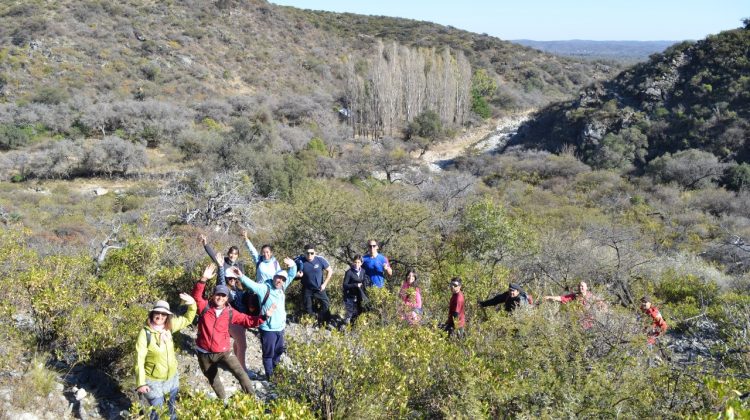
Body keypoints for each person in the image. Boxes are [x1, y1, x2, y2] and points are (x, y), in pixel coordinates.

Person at [191, 264, 275, 400]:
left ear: (227, 298)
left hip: (223, 351)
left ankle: (252, 399)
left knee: (241, 373)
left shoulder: (230, 312)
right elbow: (196, 296)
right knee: (213, 379)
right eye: (218, 295)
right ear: (213, 296)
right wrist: (203, 279)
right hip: (204, 353)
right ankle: (222, 400)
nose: (221, 298)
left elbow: (248, 320)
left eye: (224, 296)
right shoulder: (204, 308)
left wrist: (264, 317)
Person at [232, 257, 297, 380]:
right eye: (278, 278)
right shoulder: (264, 289)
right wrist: (241, 276)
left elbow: (292, 274)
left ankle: (275, 371)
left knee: (278, 352)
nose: (280, 281)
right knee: (268, 354)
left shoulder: (282, 287)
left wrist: (293, 265)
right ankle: (270, 377)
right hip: (268, 328)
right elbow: (252, 284)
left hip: (280, 327)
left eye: (283, 279)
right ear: (274, 277)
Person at [135, 294, 197, 420]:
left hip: (172, 378)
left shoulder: (169, 327)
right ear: (152, 314)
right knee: (157, 413)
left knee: (172, 409)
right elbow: (139, 359)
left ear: (167, 316)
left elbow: (187, 319)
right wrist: (141, 383)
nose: (160, 316)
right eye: (157, 313)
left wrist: (192, 304)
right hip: (153, 381)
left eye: (163, 314)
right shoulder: (145, 333)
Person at [295, 244, 333, 323]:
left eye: (312, 253)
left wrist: (324, 284)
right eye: (307, 253)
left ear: (315, 253)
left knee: (326, 304)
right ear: (304, 253)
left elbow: (330, 270)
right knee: (308, 308)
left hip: (319, 288)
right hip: (307, 288)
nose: (309, 255)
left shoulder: (320, 260)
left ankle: (323, 320)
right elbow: (293, 275)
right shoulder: (300, 261)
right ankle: (313, 322)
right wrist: (297, 275)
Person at [342, 255, 370, 325]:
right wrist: (355, 285)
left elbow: (364, 282)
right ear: (353, 262)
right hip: (350, 296)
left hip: (359, 296)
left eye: (358, 262)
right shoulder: (349, 272)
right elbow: (344, 285)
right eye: (355, 262)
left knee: (359, 312)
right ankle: (345, 330)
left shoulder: (363, 271)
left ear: (361, 263)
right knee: (350, 315)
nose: (356, 264)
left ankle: (353, 330)